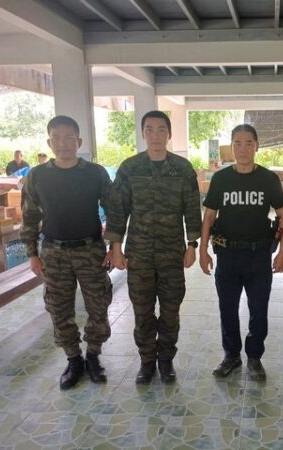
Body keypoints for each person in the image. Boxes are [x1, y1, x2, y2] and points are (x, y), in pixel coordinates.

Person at [105, 110, 202, 384]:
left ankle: (166, 360)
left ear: (169, 134)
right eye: (149, 129)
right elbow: (118, 210)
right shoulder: (130, 168)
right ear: (143, 133)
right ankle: (147, 360)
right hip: (140, 253)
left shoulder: (182, 169)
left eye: (161, 129)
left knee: (171, 311)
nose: (155, 135)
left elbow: (191, 209)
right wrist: (115, 247)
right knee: (142, 311)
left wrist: (192, 244)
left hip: (172, 254)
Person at [21, 115, 113, 390]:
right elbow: (29, 217)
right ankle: (73, 359)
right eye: (56, 138)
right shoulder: (37, 175)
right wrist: (32, 253)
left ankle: (93, 356)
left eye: (69, 137)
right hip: (53, 252)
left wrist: (113, 247)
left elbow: (115, 211)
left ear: (79, 141)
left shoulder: (95, 173)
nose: (63, 143)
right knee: (58, 308)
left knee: (98, 305)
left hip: (91, 250)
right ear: (49, 142)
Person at [200, 124, 283, 381]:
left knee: (258, 309)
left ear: (256, 146)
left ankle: (254, 357)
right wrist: (203, 250)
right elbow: (209, 216)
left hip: (258, 256)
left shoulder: (268, 179)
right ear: (231, 147)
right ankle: (231, 355)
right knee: (227, 308)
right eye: (237, 143)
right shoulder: (221, 179)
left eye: (248, 143)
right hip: (227, 255)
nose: (243, 148)